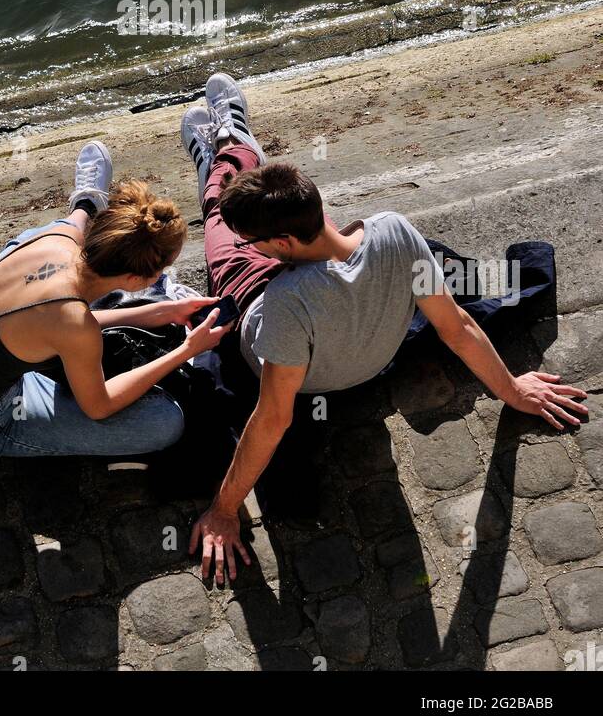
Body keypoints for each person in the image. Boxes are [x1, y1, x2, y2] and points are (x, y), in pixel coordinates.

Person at [181, 73, 589, 583]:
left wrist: (223, 509)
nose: (256, 244)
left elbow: (273, 417)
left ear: (281, 244)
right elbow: (457, 327)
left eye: (259, 240)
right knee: (246, 204)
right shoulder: (394, 230)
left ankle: (221, 151)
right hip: (369, 352)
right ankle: (235, 145)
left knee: (217, 220)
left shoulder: (283, 301)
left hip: (283, 332)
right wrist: (511, 390)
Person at [0, 141, 229, 457]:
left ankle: (86, 203)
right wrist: (188, 350)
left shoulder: (59, 239)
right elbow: (100, 406)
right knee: (165, 422)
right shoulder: (76, 326)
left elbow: (61, 319)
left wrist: (157, 311)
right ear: (135, 281)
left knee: (40, 255)